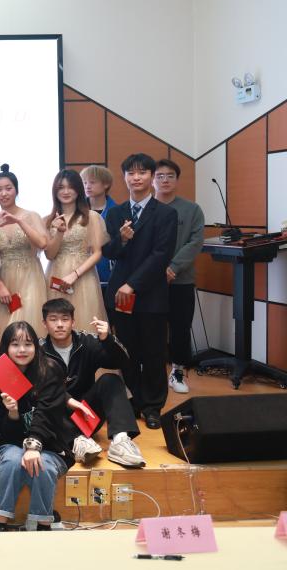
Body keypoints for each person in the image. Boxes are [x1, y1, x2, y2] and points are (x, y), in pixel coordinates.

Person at [102, 153, 177, 430]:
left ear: (151, 177)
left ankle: (153, 406)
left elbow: (161, 255)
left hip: (150, 293)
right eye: (131, 173)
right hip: (121, 295)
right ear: (124, 177)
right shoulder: (116, 213)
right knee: (127, 351)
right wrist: (121, 240)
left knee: (154, 352)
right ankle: (134, 400)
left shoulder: (166, 213)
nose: (136, 178)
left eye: (142, 172)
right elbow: (109, 252)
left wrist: (132, 284)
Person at [38, 298, 144, 468]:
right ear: (44, 323)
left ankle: (120, 441)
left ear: (73, 322)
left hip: (86, 415)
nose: (60, 325)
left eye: (65, 319)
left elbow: (123, 362)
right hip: (56, 419)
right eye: (53, 319)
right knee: (42, 398)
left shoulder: (87, 341)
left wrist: (107, 339)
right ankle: (76, 441)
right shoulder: (38, 350)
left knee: (110, 380)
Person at [0, 321, 70, 531]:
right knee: (11, 462)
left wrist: (33, 446)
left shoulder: (50, 370)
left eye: (28, 344)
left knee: (43, 466)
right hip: (12, 443)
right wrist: (13, 413)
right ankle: (0, 523)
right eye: (15, 344)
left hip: (49, 443)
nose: (22, 350)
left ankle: (42, 524)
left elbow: (47, 414)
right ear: (6, 347)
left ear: (36, 345)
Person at [0, 165, 49, 353]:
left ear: (16, 190)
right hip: (4, 281)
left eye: (8, 188)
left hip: (30, 278)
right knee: (4, 330)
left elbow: (43, 243)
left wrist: (19, 221)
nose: (3, 193)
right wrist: (0, 285)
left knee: (27, 322)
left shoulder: (31, 216)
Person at [154, 158, 204, 394]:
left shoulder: (192, 209)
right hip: (150, 281)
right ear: (152, 180)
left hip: (181, 279)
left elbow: (195, 242)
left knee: (180, 327)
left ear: (177, 179)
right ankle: (151, 372)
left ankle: (177, 372)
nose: (165, 180)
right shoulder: (145, 207)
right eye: (160, 176)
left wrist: (173, 267)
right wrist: (155, 271)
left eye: (170, 176)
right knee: (150, 328)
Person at [43, 170, 108, 325]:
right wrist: (59, 232)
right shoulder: (47, 220)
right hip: (56, 274)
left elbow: (97, 253)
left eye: (70, 187)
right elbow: (50, 255)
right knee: (57, 320)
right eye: (61, 187)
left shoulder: (91, 217)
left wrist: (75, 274)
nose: (66, 192)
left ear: (78, 189)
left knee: (84, 319)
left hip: (83, 275)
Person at [81, 165, 118, 289]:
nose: (87, 186)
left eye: (92, 182)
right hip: (80, 268)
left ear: (106, 184)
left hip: (107, 270)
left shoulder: (117, 211)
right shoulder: (76, 210)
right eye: (85, 182)